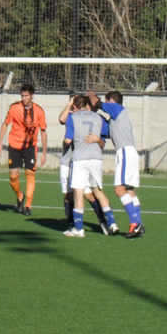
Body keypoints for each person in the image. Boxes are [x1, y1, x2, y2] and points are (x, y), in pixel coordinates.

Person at [88, 90, 145, 239]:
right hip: (128, 152)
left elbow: (95, 102)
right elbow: (104, 130)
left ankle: (135, 224)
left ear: (112, 100)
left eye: (107, 101)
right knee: (129, 190)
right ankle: (138, 223)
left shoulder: (117, 108)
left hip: (125, 152)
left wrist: (90, 93)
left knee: (119, 190)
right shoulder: (115, 119)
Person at [62, 95, 118, 237]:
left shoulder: (72, 118)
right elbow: (105, 137)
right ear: (87, 104)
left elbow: (68, 140)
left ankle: (79, 228)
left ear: (74, 106)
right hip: (96, 159)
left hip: (80, 159)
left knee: (79, 193)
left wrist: (66, 142)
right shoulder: (98, 117)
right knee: (98, 192)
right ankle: (112, 222)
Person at [0, 83, 47, 216]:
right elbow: (5, 124)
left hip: (30, 147)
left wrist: (44, 153)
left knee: (30, 175)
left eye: (26, 96)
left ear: (32, 96)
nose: (24, 98)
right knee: (13, 178)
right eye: (22, 96)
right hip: (14, 146)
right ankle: (20, 195)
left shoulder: (39, 111)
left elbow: (43, 131)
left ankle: (28, 206)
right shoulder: (14, 108)